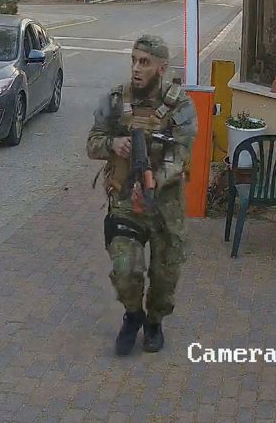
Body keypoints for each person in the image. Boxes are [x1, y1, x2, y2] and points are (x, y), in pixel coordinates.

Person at [87, 34, 197, 355]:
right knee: (126, 271)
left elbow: (181, 155)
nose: (136, 68)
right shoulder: (114, 100)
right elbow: (92, 141)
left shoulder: (182, 106)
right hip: (124, 203)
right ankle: (132, 315)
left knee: (165, 277)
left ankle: (154, 322)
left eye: (144, 62)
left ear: (161, 68)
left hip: (165, 207)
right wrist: (111, 145)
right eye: (134, 60)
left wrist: (153, 181)